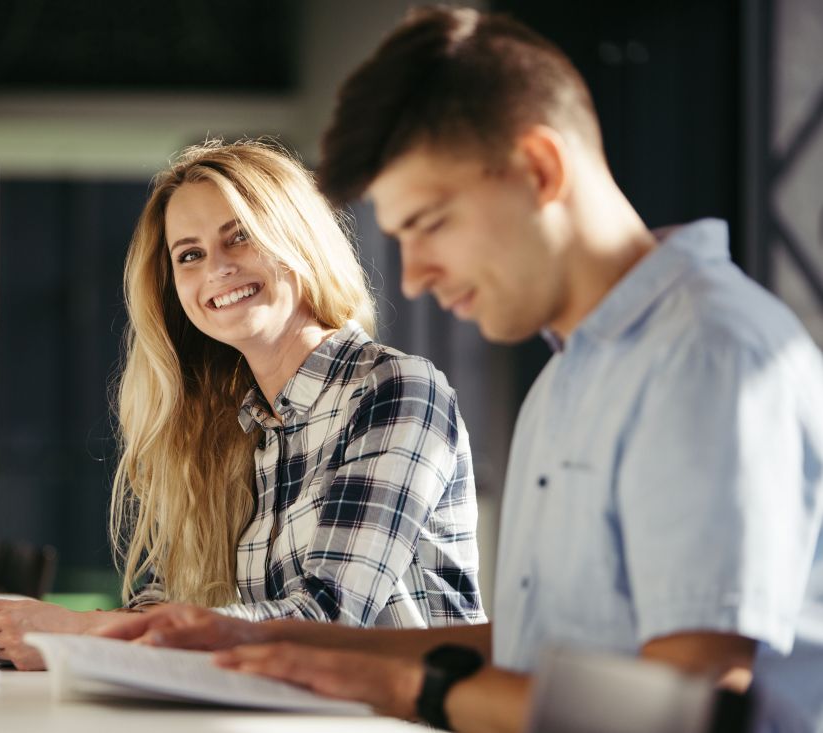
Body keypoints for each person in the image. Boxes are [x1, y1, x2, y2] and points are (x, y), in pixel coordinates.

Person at [95, 8, 823, 733]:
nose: (411, 278)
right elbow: (532, 650)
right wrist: (252, 639)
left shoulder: (703, 356)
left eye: (431, 222)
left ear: (540, 168)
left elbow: (684, 712)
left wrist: (412, 689)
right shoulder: (571, 375)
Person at [0, 140, 485, 669]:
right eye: (190, 255)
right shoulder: (235, 422)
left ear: (298, 238)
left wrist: (89, 633)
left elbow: (330, 621)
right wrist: (45, 626)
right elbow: (175, 603)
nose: (217, 269)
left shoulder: (394, 389)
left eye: (240, 237)